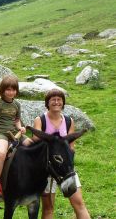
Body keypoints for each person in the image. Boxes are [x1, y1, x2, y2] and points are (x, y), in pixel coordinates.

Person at [32, 89, 90, 219]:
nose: (56, 102)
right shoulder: (40, 120)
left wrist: (69, 165)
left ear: (63, 103)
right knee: (48, 208)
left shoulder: (69, 121)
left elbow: (71, 147)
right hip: (47, 171)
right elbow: (36, 143)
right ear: (47, 103)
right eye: (53, 100)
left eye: (59, 100)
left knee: (79, 204)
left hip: (66, 170)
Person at [0, 75, 33, 197]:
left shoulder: (17, 105)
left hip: (15, 133)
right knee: (2, 153)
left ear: (16, 91)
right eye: (8, 89)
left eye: (13, 90)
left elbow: (17, 119)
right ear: (2, 90)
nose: (11, 92)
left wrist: (20, 127)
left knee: (33, 145)